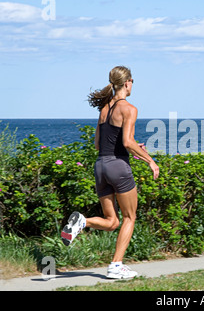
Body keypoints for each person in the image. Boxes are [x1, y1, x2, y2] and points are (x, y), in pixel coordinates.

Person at [61, 66, 159, 279]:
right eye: (132, 81)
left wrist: (130, 148)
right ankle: (116, 266)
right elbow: (127, 141)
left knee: (112, 221)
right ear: (127, 82)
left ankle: (83, 222)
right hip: (118, 167)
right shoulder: (129, 109)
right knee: (130, 217)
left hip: (100, 167)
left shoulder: (103, 108)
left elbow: (98, 144)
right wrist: (150, 161)